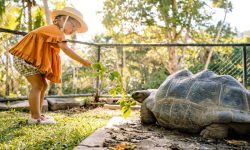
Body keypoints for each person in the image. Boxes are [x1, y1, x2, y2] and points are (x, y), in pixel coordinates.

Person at [8, 7, 91, 124]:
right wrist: (83, 61)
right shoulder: (56, 31)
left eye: (76, 29)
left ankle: (38, 114)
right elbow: (65, 49)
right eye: (73, 26)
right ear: (63, 19)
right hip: (24, 58)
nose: (74, 31)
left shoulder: (54, 32)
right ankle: (35, 117)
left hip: (27, 59)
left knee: (43, 85)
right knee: (37, 85)